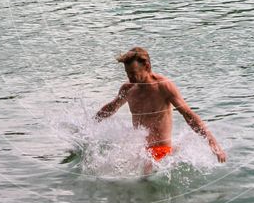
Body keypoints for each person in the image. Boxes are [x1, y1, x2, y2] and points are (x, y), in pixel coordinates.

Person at [95, 47, 226, 171]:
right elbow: (111, 108)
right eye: (127, 73)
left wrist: (212, 143)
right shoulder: (128, 88)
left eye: (133, 73)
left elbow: (188, 115)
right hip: (140, 151)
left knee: (144, 177)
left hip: (162, 151)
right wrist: (90, 125)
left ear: (147, 66)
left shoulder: (163, 86)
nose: (130, 78)